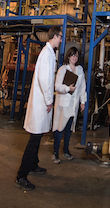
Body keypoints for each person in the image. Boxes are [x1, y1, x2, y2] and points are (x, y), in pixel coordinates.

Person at [15, 26, 62, 191]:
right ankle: (21, 176)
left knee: (38, 135)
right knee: (34, 141)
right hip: (41, 103)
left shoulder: (49, 53)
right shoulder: (47, 54)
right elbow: (44, 79)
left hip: (42, 102)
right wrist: (49, 100)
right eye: (60, 37)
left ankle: (33, 165)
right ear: (54, 36)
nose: (61, 40)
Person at [51, 47, 87, 164]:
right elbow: (57, 86)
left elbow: (82, 87)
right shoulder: (63, 69)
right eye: (72, 55)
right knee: (59, 128)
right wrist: (68, 88)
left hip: (73, 105)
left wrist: (83, 101)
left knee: (69, 129)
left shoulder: (80, 70)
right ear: (68, 56)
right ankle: (55, 153)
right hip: (63, 104)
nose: (74, 58)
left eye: (76, 55)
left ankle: (66, 151)